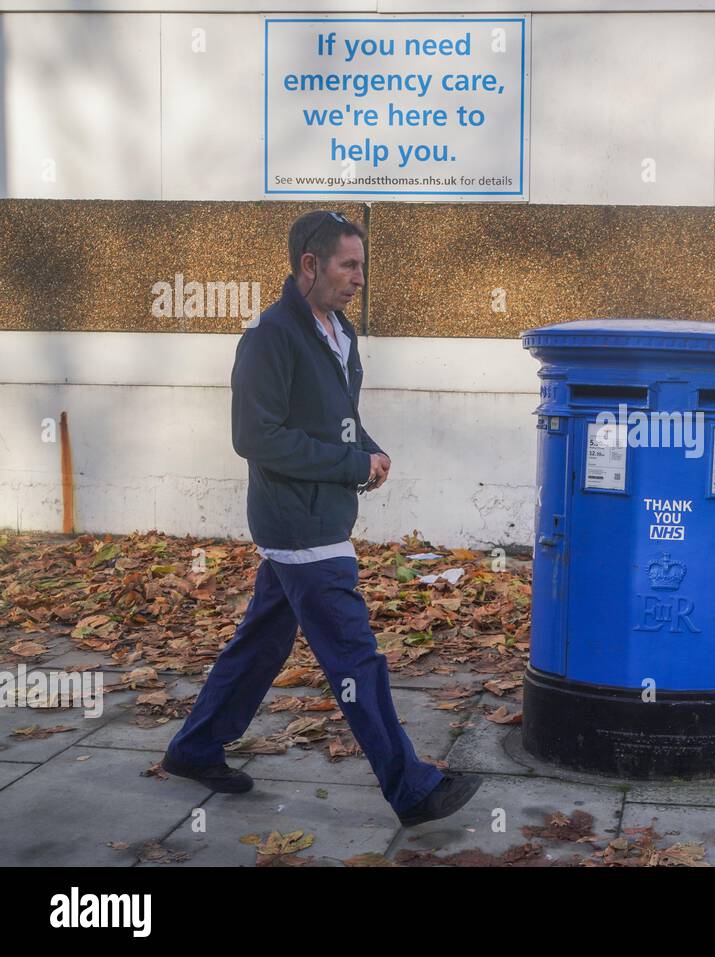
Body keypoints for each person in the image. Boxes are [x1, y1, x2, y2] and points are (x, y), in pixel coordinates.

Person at [162, 210, 481, 827]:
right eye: (348, 265)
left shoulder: (339, 332)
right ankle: (410, 786)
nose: (359, 278)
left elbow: (338, 417)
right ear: (309, 264)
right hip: (296, 523)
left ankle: (195, 746)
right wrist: (348, 465)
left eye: (362, 265)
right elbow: (255, 437)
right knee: (355, 656)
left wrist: (369, 450)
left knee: (263, 640)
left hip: (319, 514)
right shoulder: (271, 335)